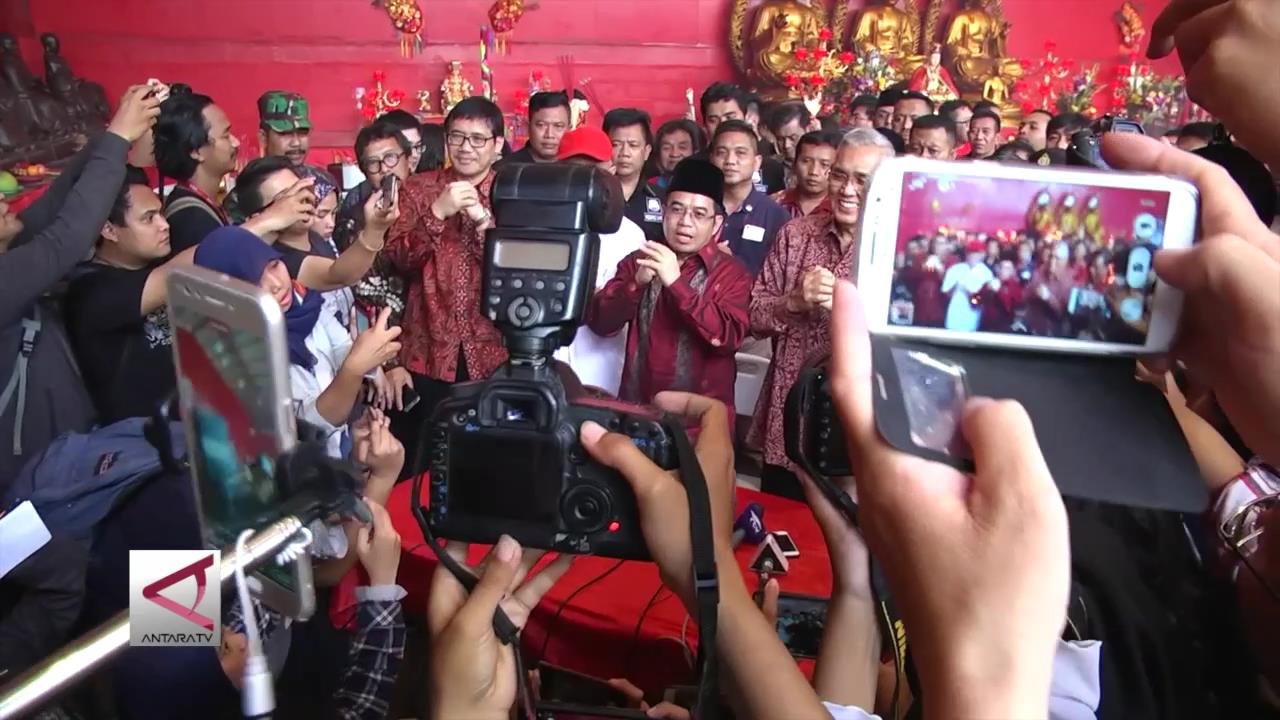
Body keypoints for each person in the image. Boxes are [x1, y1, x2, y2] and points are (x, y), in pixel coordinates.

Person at [0, 84, 156, 483]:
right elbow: (66, 239)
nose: (4, 199)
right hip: (33, 476)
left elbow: (57, 204)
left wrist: (113, 134)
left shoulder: (13, 248)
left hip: (67, 450)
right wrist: (118, 137)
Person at [749, 128, 894, 499]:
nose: (847, 189)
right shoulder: (795, 235)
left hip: (862, 429)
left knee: (851, 529)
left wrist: (850, 313)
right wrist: (794, 302)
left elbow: (910, 349)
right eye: (840, 175)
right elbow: (754, 316)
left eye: (862, 180)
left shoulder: (901, 251)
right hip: (789, 421)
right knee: (780, 528)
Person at [192, 227, 402, 459]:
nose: (276, 284)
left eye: (274, 265)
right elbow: (308, 427)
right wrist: (354, 369)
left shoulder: (305, 305)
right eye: (254, 281)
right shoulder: (237, 358)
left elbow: (341, 347)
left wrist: (365, 361)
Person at [385, 96, 509, 469]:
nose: (466, 147)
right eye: (457, 137)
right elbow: (398, 261)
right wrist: (437, 213)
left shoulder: (512, 192)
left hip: (492, 354)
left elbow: (514, 270)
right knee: (423, 461)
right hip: (427, 351)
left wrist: (483, 221)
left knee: (488, 465)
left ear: (498, 145)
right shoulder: (418, 190)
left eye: (477, 139)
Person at [587, 158, 751, 418]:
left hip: (701, 421)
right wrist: (635, 284)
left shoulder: (732, 274)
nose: (685, 222)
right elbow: (601, 323)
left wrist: (676, 283)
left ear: (717, 223)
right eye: (677, 209)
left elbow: (727, 338)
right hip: (638, 412)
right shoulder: (639, 260)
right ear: (664, 212)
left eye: (699, 214)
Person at [64, 167, 197, 423]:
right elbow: (180, 272)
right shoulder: (91, 293)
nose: (164, 225)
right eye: (149, 218)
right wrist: (261, 223)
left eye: (161, 213)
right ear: (109, 230)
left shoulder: (153, 260)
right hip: (147, 436)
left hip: (194, 419)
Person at [551, 126, 646, 395]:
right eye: (575, 169)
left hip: (599, 366)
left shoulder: (630, 235)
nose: (584, 180)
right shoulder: (538, 225)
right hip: (547, 362)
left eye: (593, 170)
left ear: (611, 170)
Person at [230, 156, 388, 297]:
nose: (302, 198)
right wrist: (375, 229)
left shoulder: (316, 237)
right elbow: (339, 275)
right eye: (285, 197)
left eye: (300, 188)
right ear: (259, 218)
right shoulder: (279, 262)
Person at [334, 119, 414, 326]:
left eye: (391, 158)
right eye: (373, 163)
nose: (384, 169)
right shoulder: (352, 220)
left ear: (409, 159)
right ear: (363, 171)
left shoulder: (432, 206)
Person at [153, 90, 241, 254]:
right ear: (196, 151)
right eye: (226, 136)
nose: (236, 143)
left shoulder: (200, 205)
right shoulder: (191, 220)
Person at [708, 120, 790, 276]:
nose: (730, 161)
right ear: (711, 159)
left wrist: (731, 265)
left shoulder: (776, 216)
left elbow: (780, 277)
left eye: (740, 153)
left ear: (757, 162)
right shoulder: (697, 208)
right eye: (722, 152)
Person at [699, 82, 785, 194]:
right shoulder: (692, 169)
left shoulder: (772, 168)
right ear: (705, 124)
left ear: (746, 117)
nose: (723, 125)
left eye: (730, 117)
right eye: (713, 120)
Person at [604, 107, 664, 241]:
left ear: (647, 152)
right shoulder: (591, 194)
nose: (624, 153)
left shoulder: (661, 199)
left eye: (633, 145)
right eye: (616, 144)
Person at [772, 130, 839, 220]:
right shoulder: (774, 203)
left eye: (824, 164)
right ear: (794, 164)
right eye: (806, 161)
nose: (813, 172)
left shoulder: (841, 209)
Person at [503, 90, 570, 164]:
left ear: (570, 129)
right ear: (528, 127)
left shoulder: (578, 167)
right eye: (541, 125)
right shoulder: (505, 168)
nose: (549, 135)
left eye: (558, 126)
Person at [942, 239, 994, 331]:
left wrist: (968, 293)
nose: (972, 256)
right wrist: (955, 287)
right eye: (970, 252)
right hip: (954, 315)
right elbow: (945, 293)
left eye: (976, 253)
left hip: (973, 317)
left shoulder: (986, 273)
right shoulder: (955, 269)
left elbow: (984, 299)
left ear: (982, 254)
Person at [256, 90, 311, 167]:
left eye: (303, 132)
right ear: (263, 138)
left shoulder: (320, 175)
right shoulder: (252, 175)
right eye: (286, 133)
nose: (296, 143)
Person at [648, 118, 703, 192]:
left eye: (682, 147)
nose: (674, 154)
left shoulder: (706, 188)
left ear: (695, 152)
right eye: (667, 148)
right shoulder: (648, 187)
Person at [765, 101, 813, 174]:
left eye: (793, 138)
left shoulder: (823, 166)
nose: (786, 145)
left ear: (808, 130)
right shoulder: (769, 167)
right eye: (780, 139)